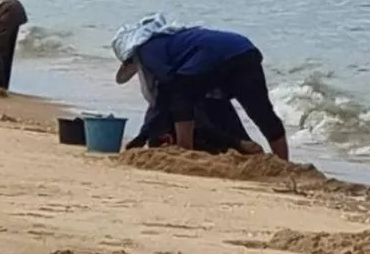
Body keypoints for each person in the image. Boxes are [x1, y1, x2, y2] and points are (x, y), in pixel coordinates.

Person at [113, 21, 289, 161]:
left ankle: (185, 150)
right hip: (244, 50)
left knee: (179, 91)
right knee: (262, 112)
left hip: (212, 57)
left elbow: (169, 85)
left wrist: (141, 138)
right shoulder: (176, 39)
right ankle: (284, 163)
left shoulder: (147, 49)